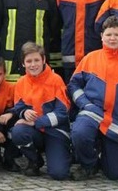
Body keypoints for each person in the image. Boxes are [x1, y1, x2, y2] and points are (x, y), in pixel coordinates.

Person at [68, 16, 118, 181]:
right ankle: (89, 164)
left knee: (114, 174)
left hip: (117, 120)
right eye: (109, 34)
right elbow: (73, 86)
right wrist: (85, 104)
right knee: (80, 134)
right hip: (91, 113)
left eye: (117, 35)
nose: (112, 38)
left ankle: (105, 152)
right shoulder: (91, 58)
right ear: (101, 36)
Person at [10, 42, 71, 179]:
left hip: (55, 132)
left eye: (36, 60)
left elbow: (62, 113)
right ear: (23, 63)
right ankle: (35, 161)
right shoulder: (21, 82)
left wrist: (36, 122)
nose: (33, 64)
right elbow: (18, 107)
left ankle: (68, 154)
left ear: (44, 60)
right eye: (29, 61)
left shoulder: (56, 80)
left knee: (59, 174)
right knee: (18, 131)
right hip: (36, 133)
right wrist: (24, 113)